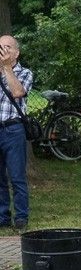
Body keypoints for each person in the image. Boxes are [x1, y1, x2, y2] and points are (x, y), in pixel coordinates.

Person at [0, 34, 33, 230]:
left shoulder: (25, 73)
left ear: (16, 52)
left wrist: (6, 68)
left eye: (7, 47)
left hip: (13, 130)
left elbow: (18, 92)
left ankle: (21, 216)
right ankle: (2, 217)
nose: (3, 51)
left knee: (17, 176)